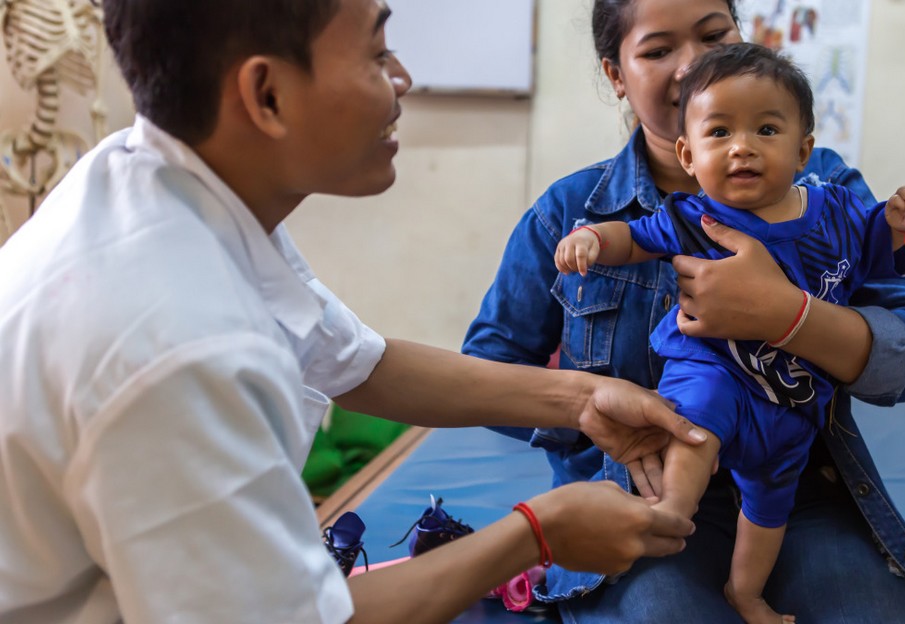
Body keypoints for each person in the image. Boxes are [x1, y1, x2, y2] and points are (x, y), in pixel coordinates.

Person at [0, 1, 713, 623]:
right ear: (266, 93)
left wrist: (584, 396)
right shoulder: (179, 346)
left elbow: (356, 360)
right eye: (376, 53)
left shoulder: (162, 186)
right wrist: (537, 532)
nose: (401, 78)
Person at [462, 0, 905, 622]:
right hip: (637, 495)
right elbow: (487, 365)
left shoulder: (823, 192)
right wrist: (597, 413)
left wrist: (788, 315)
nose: (694, 63)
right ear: (616, 74)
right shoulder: (571, 210)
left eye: (714, 34)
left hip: (798, 487)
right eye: (658, 50)